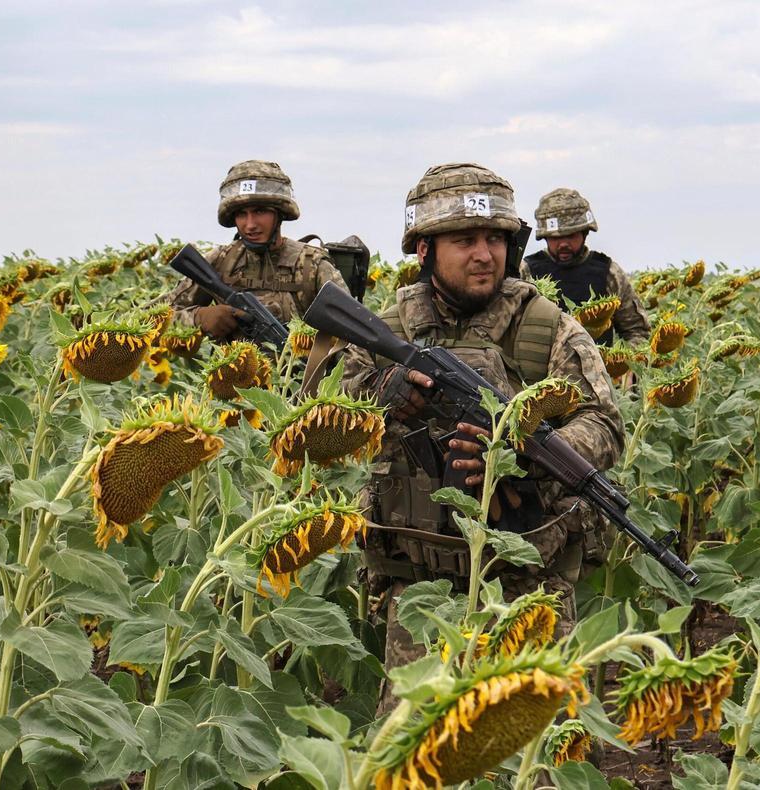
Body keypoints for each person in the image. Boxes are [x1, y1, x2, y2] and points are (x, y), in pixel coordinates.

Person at [334, 163, 626, 710]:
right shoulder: (386, 330)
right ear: (423, 250)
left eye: (496, 238)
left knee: (535, 753)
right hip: (420, 587)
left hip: (523, 584)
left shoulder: (546, 328)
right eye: (465, 240)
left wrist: (524, 451)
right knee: (411, 752)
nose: (484, 254)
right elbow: (323, 420)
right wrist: (383, 392)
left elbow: (605, 425)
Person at [166, 160, 347, 338]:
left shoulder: (312, 265)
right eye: (241, 214)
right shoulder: (220, 261)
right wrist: (199, 318)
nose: (250, 224)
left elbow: (352, 338)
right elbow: (153, 320)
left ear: (280, 213)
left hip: (303, 368)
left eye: (260, 211)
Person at [520, 188, 650, 346]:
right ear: (545, 237)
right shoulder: (526, 272)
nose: (563, 244)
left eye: (571, 236)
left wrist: (626, 367)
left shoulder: (609, 273)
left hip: (598, 369)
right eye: (556, 238)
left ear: (585, 233)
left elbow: (636, 330)